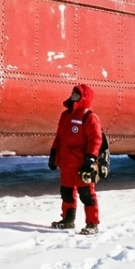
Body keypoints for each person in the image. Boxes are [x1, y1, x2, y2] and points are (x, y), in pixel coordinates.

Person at [47, 84, 103, 235]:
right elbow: (59, 137)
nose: (74, 96)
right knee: (66, 193)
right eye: (73, 93)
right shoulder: (65, 115)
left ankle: (92, 223)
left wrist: (90, 159)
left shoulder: (89, 116)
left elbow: (95, 140)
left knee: (86, 195)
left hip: (81, 164)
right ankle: (67, 220)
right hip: (66, 163)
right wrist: (53, 154)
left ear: (84, 97)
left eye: (77, 94)